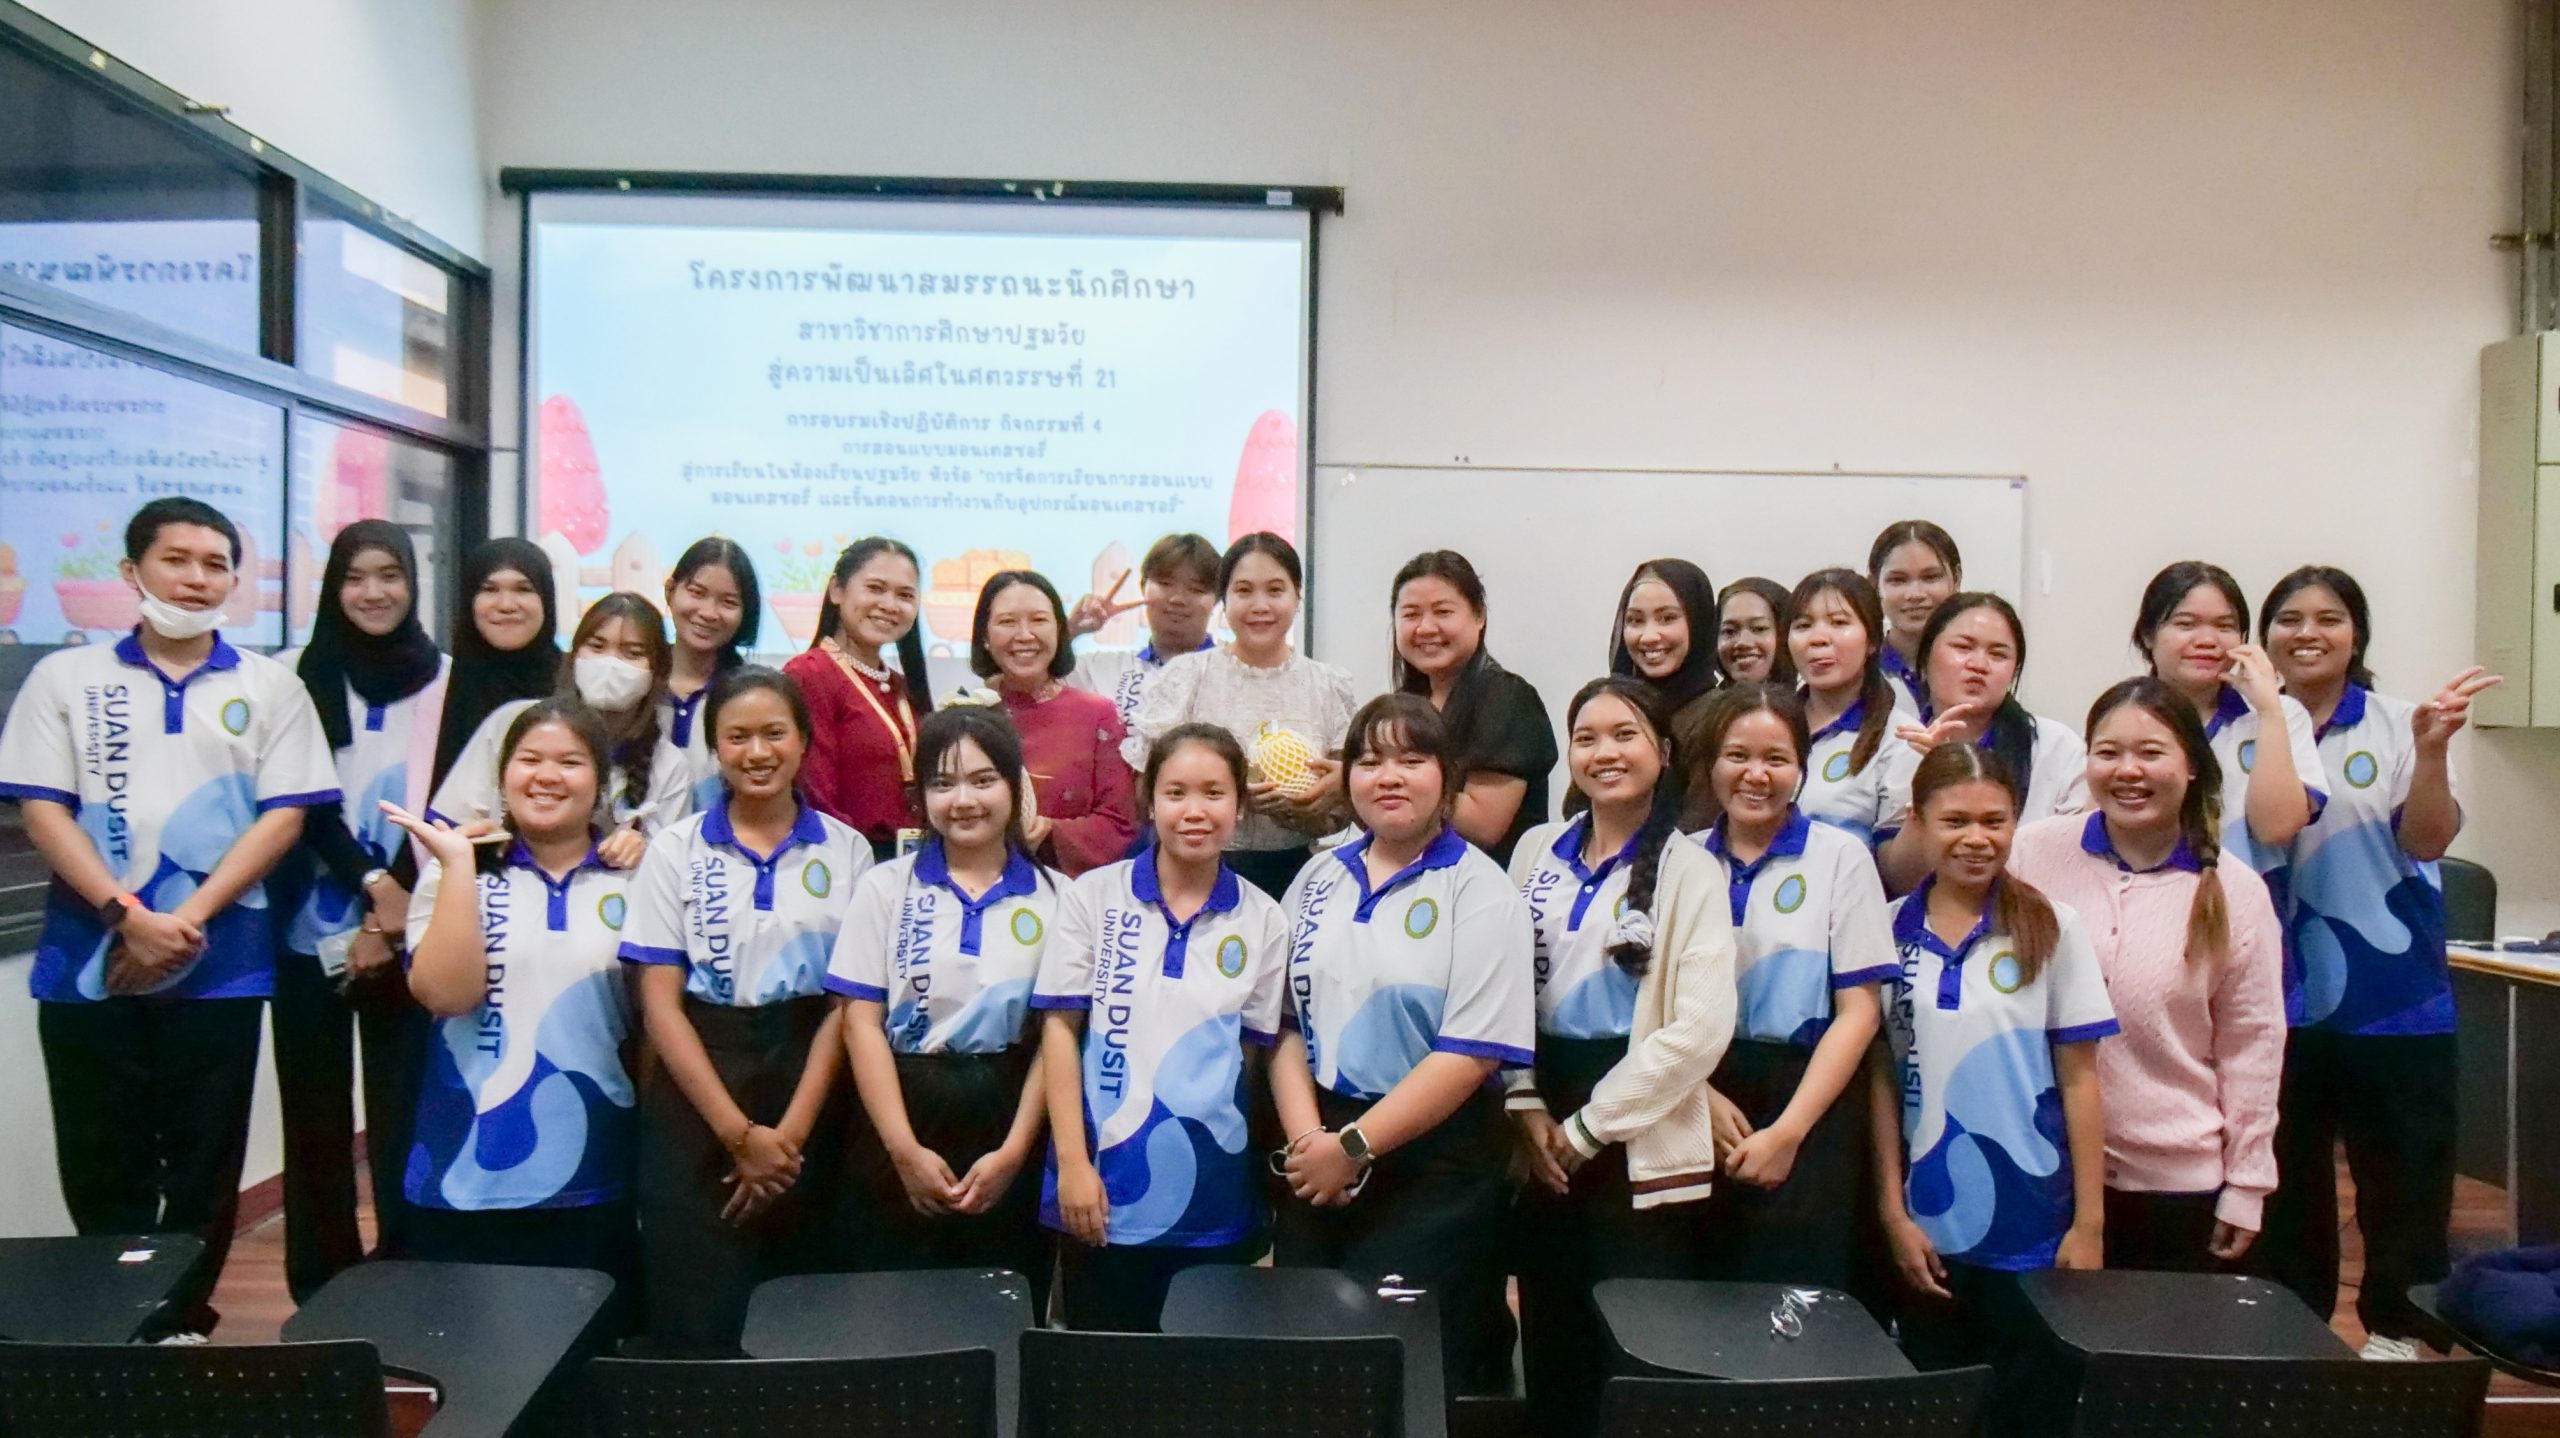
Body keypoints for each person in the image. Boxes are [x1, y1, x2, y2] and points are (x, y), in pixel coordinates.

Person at [0, 498, 340, 1339]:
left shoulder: (270, 686)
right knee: (99, 1153)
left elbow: (284, 817)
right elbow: (43, 809)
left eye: (215, 564)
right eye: (176, 560)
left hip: (221, 959)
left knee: (203, 1156)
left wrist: (181, 921)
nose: (196, 579)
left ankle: (181, 1318)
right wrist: (126, 915)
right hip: (87, 960)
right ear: (132, 571)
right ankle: (114, 1323)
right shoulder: (65, 680)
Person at [2256, 566, 2502, 1356]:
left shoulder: (2402, 724)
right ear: (2265, 636)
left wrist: (2431, 751)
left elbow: (2426, 841)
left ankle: (2398, 1332)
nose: (2308, 632)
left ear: (2356, 634)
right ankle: (2292, 1337)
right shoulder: (2247, 726)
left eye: (2329, 617)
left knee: (2403, 1183)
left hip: (2393, 996)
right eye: (2290, 617)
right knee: (2285, 1188)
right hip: (2275, 998)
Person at [1269, 694, 1536, 1394]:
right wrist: (1310, 1143)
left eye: (1412, 760)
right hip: (1319, 1148)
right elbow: (1285, 1024)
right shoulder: (1318, 877)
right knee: (1306, 1351)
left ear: (1448, 779)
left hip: (1435, 1160)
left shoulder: (1481, 891)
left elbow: (1470, 1054)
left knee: (1399, 1364)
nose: (1388, 776)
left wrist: (1353, 1148)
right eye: (1369, 760)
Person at [617, 666, 871, 1354]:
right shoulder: (675, 850)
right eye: (737, 737)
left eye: (774, 734)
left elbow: (846, 1005)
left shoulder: (848, 850)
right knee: (697, 1303)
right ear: (715, 748)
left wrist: (787, 1139)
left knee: (805, 1309)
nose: (757, 752)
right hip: (700, 1082)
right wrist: (739, 1137)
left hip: (812, 1075)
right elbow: (660, 1006)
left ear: (804, 741)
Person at [1506, 677, 1735, 1438]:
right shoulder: (1536, 850)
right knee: (1552, 1343)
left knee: (1639, 1359)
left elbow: (1698, 1029)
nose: (1604, 752)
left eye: (1624, 734)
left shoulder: (1693, 868)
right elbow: (1500, 989)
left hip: (1637, 1121)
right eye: (1587, 738)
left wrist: (1587, 1129)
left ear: (1663, 751)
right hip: (1539, 1112)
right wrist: (1523, 1101)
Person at [1871, 744, 2113, 1437]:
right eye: (1955, 821)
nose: (1976, 839)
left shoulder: (2052, 927)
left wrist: (2089, 1224)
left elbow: (2081, 1078)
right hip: (1929, 1228)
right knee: (1937, 1410)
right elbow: (1882, 1078)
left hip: (2034, 1227)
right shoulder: (1887, 931)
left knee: (2028, 1414)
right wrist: (1892, 1212)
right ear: (1918, 821)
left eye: (1994, 821)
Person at [2007, 679, 2285, 1275]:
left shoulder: (2237, 891)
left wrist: (2248, 1181)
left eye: (2151, 753)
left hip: (2174, 1184)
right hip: (2042, 1169)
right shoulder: (2029, 855)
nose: (2127, 771)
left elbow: (2253, 1046)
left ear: (2192, 765)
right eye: (2107, 752)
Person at [1033, 723, 1290, 1331]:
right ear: (1149, 801)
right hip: (1101, 1188)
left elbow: (1252, 1057)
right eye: (1176, 793)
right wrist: (1073, 1163)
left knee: (1203, 1367)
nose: (1194, 811)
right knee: (1102, 1365)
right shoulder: (1092, 897)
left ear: (1240, 806)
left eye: (1214, 793)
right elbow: (1060, 1032)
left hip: (1214, 1190)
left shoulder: (1264, 918)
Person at [380, 701, 638, 1288]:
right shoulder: (457, 869)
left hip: (599, 1152)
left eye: (570, 762)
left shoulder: (634, 876)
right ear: (502, 778)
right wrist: (456, 868)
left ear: (601, 782)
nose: (547, 776)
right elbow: (446, 995)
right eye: (530, 760)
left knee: (590, 1326)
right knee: (469, 1332)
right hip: (463, 1159)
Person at [829, 706, 1059, 1294]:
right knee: (889, 1304)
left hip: (1009, 1113)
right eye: (943, 783)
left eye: (983, 780)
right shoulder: (885, 886)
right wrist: (903, 1149)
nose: (963, 801)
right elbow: (860, 1024)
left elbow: (1055, 1040)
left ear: (1015, 786)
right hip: (899, 1111)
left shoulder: (1059, 897)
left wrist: (1014, 1153)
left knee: (1002, 1303)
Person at [275, 520, 446, 1298]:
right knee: (313, 1118)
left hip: (413, 928)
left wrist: (391, 911)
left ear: (413, 583)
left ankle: (402, 1276)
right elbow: (299, 800)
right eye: (355, 577)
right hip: (304, 928)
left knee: (402, 1110)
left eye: (390, 575)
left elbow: (450, 800)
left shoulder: (446, 680)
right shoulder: (297, 676)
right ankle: (321, 1284)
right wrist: (373, 888)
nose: (373, 592)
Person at [1689, 684, 1893, 1294]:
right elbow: (1654, 1006)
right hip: (1699, 1093)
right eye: (1737, 755)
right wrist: (1696, 1093)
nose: (1756, 775)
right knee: (1699, 1302)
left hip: (1811, 1100)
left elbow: (1860, 1014)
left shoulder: (1842, 858)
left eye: (1776, 758)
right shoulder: (1681, 860)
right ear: (1710, 765)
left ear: (1802, 767)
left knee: (1797, 1303)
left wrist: (1788, 1132)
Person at [1123, 533, 1356, 898]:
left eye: (1275, 590)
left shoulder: (1328, 686)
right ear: (1224, 599)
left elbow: (1344, 805)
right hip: (1191, 871)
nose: (1260, 605)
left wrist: (1310, 810)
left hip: (1296, 876)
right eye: (1244, 591)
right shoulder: (1186, 677)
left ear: (1297, 597)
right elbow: (1143, 792)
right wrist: (1222, 798)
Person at [431, 592, 694, 867]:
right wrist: (482, 842)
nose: (610, 663)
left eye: (633, 653)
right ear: (574, 655)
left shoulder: (669, 766)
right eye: (597, 646)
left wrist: (641, 852)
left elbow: (671, 870)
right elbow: (447, 829)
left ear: (659, 670)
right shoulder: (512, 723)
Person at [1879, 593, 2087, 890]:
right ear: (1925, 658)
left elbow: (2077, 863)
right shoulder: (1900, 741)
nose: (1978, 664)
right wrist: (1935, 773)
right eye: (1962, 647)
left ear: (2014, 671)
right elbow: (1898, 879)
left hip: (2035, 907)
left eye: (1998, 654)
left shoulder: (2056, 746)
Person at [2131, 561, 2325, 873]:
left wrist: (2269, 712)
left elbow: (2276, 829)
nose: (2207, 640)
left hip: (2250, 898)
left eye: (2224, 627)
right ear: (2148, 634)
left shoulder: (2281, 714)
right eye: (2186, 624)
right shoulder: (2124, 716)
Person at [1392, 550, 1556, 865]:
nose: (1425, 628)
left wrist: (1378, 786)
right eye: (1411, 614)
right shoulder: (1403, 706)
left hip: (1489, 884)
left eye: (1442, 612)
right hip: (1414, 881)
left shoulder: (1508, 697)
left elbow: (1484, 825)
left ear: (1479, 616)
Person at [970, 570, 1137, 875]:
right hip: (974, 881)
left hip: (1069, 890)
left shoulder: (1098, 715)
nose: (1024, 635)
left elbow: (1119, 823)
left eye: (1039, 620)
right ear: (984, 637)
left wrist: (1050, 830)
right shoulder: (965, 713)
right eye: (1007, 622)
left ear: (1059, 631)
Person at [786, 537, 935, 859]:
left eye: (905, 595)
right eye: (875, 588)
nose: (890, 605)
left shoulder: (900, 686)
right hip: (844, 860)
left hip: (912, 862)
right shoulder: (810, 674)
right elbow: (814, 793)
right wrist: (855, 862)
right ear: (836, 590)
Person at [1788, 569, 1917, 846]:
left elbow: (1896, 867)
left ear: (1872, 641)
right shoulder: (1771, 725)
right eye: (1803, 625)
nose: (1818, 638)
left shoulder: (1901, 738)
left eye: (1838, 622)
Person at [427, 538, 561, 803]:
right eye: (489, 589)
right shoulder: (436, 690)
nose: (506, 604)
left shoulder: (574, 687)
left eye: (523, 589)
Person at [1066, 532, 1221, 728]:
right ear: (1142, 587)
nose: (1178, 599)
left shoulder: (1233, 672)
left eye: (1196, 589)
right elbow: (1038, 679)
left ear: (1218, 600)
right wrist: (1070, 630)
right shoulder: (1101, 669)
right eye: (1165, 584)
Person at [664, 537, 763, 808]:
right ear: (670, 591)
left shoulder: (752, 697)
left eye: (728, 602)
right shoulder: (636, 682)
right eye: (697, 593)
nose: (709, 613)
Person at [1607, 558, 1721, 744]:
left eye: (1667, 618)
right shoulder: (1610, 710)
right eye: (1635, 620)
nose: (1649, 637)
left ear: (1698, 624)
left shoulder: (1723, 721)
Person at [1868, 520, 1960, 719]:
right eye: (1898, 580)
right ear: (1874, 585)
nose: (1915, 594)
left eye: (1931, 577)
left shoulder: (1977, 666)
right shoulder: (1858, 674)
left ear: (1956, 579)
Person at [1714, 577, 1795, 688]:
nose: (1743, 642)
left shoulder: (1815, 698)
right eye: (1729, 631)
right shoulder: (1701, 700)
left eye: (1759, 628)